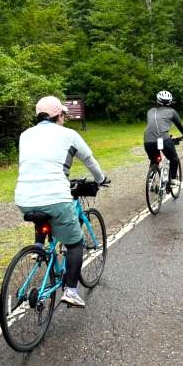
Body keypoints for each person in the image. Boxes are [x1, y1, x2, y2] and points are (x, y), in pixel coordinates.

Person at [14, 95, 109, 308]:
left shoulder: (25, 135)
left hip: (23, 198)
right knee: (75, 243)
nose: (64, 118)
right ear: (59, 115)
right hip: (55, 197)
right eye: (63, 115)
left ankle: (40, 248)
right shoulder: (69, 134)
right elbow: (89, 160)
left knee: (46, 214)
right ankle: (72, 290)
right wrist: (101, 179)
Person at [143, 90, 183, 187]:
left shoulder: (150, 111)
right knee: (174, 159)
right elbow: (179, 125)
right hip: (163, 139)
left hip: (148, 141)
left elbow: (155, 126)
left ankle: (150, 181)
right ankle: (172, 180)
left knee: (155, 160)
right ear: (170, 101)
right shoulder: (172, 112)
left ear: (157, 101)